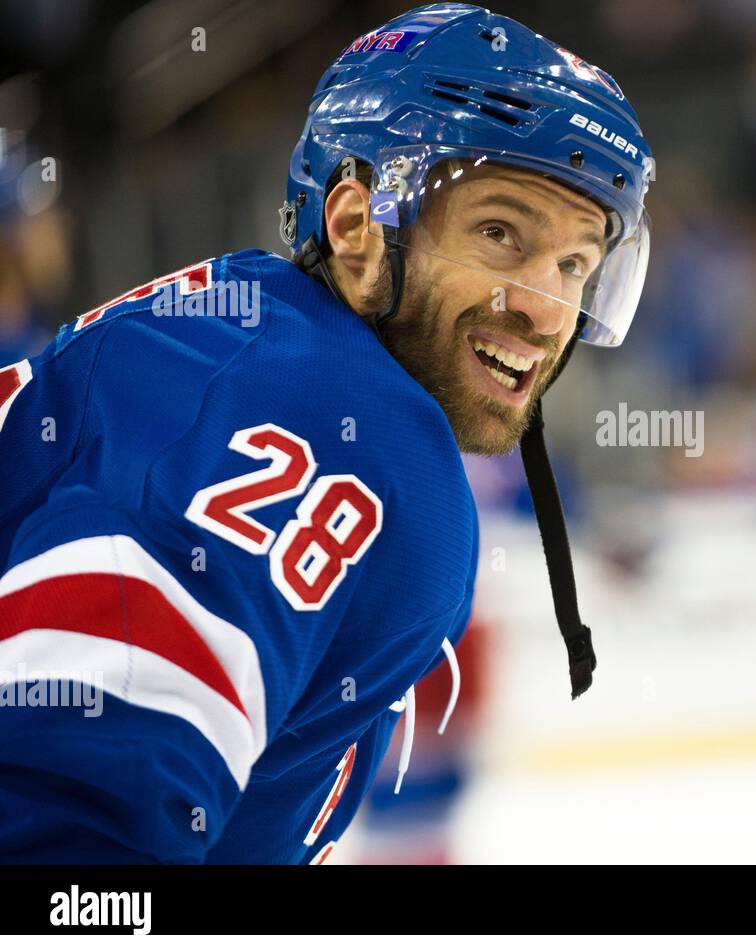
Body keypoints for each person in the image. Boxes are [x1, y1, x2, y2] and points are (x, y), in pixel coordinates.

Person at [0, 3, 653, 864]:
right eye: (500, 234)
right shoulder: (348, 432)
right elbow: (70, 822)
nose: (543, 308)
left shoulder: (241, 335)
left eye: (576, 262)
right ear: (353, 226)